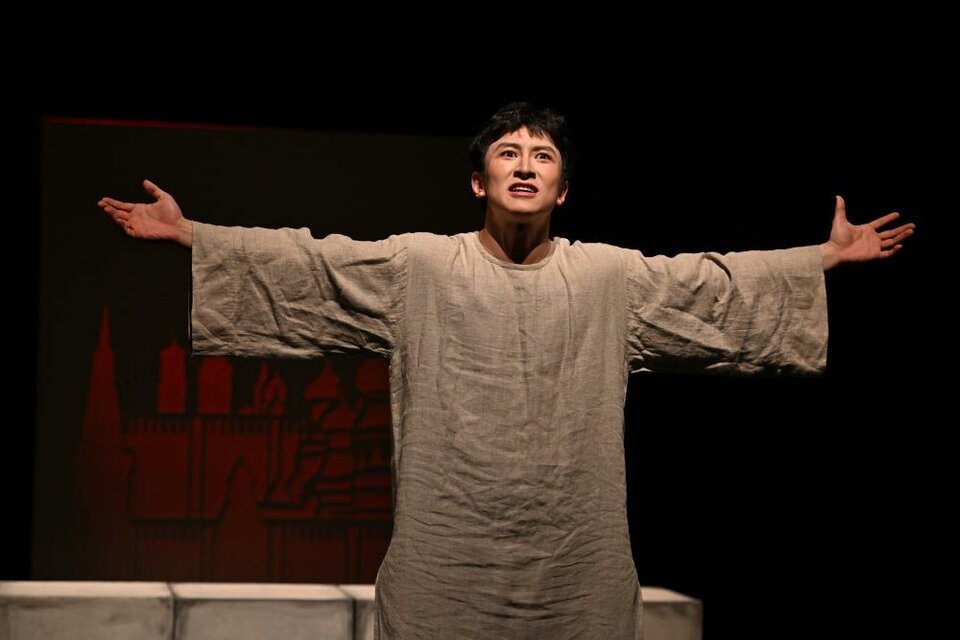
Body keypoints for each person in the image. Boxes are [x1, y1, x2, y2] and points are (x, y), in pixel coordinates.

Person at [98, 102, 914, 639]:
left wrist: (822, 258)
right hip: (445, 566)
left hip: (575, 570)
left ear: (563, 189)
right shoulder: (421, 268)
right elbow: (310, 265)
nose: (525, 165)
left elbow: (713, 285)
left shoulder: (608, 277)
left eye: (543, 155)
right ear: (478, 179)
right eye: (508, 153)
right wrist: (193, 235)